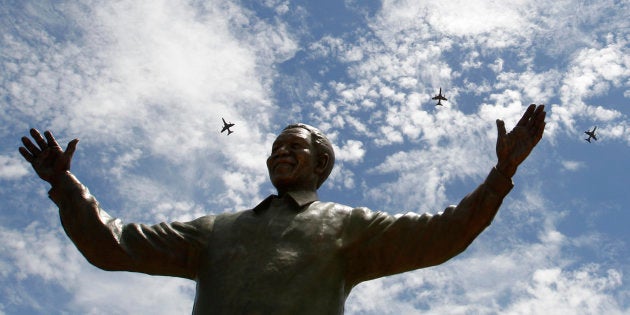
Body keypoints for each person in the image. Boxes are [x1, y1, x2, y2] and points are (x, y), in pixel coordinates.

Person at [19, 104, 546, 314]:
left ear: (320, 165)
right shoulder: (215, 231)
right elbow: (112, 246)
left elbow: (446, 233)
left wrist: (501, 176)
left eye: (294, 146)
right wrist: (66, 185)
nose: (280, 151)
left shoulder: (347, 227)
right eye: (275, 146)